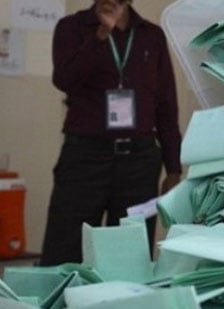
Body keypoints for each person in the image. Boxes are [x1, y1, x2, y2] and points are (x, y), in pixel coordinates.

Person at [40, 0, 182, 265]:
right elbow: (65, 79)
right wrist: (100, 36)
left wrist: (173, 168)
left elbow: (165, 104)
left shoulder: (152, 36)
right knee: (65, 251)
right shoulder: (72, 27)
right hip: (84, 158)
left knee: (129, 259)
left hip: (139, 162)